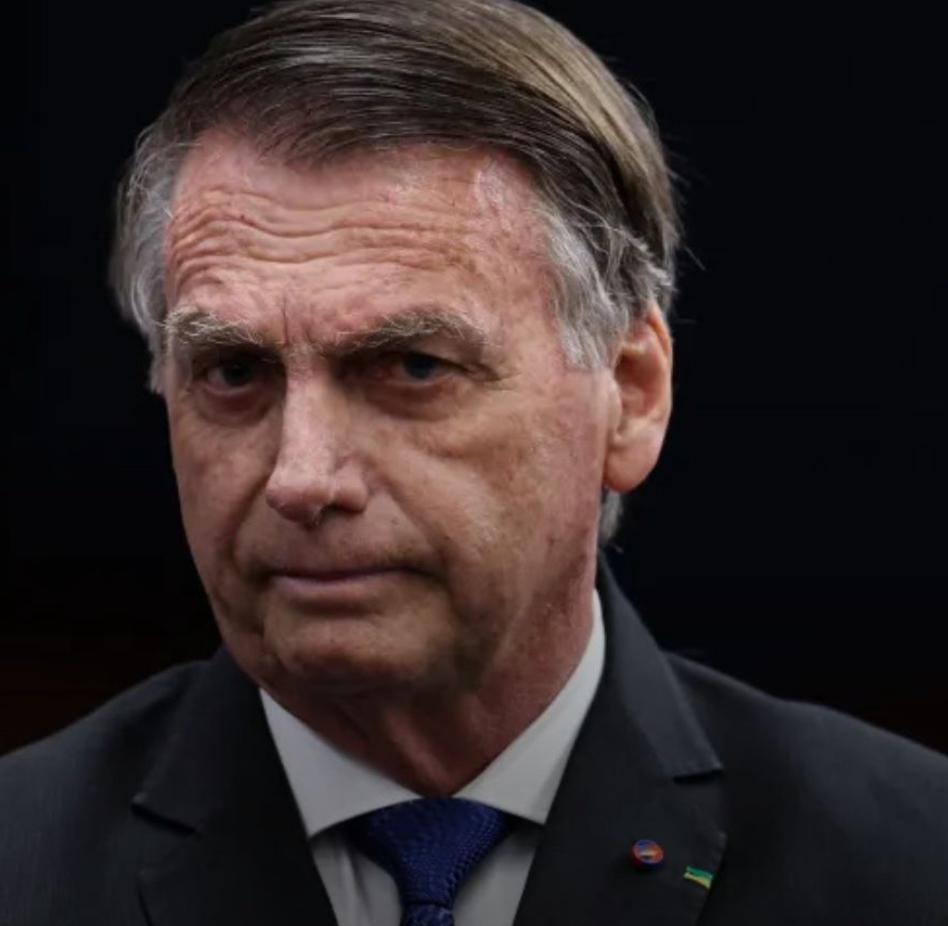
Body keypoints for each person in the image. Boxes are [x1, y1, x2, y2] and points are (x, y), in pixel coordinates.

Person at [2, 0, 946, 923]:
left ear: (630, 393)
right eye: (235, 372)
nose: (302, 477)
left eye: (414, 367)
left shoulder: (909, 862)